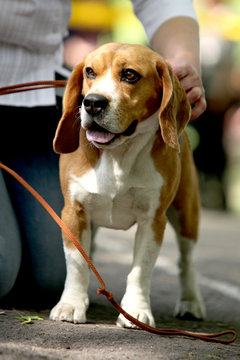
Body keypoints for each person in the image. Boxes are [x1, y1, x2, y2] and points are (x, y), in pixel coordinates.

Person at [0, 0, 206, 306]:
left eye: (130, 76)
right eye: (91, 74)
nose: (95, 97)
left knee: (46, 282)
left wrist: (184, 59)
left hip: (36, 96)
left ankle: (183, 280)